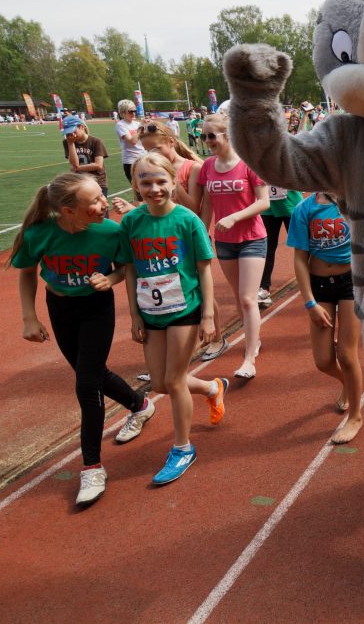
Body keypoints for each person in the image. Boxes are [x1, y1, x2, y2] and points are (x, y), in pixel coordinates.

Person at [10, 173, 155, 506]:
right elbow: (27, 272)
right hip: (60, 307)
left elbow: (125, 268)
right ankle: (140, 404)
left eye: (101, 196)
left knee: (86, 385)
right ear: (68, 211)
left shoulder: (110, 232)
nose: (103, 203)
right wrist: (29, 317)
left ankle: (92, 466)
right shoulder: (39, 234)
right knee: (91, 374)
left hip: (96, 308)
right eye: (94, 201)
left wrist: (110, 278)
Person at [119, 153, 227, 485]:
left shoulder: (187, 220)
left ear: (173, 182)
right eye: (146, 182)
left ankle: (182, 448)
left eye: (161, 181)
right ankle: (212, 387)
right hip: (151, 313)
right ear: (136, 185)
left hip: (185, 309)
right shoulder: (131, 223)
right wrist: (134, 314)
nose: (154, 188)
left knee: (175, 380)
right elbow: (130, 268)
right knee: (162, 382)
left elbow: (204, 269)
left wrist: (208, 315)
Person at [286, 191, 364, 443]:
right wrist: (309, 302)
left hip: (350, 283)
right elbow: (299, 258)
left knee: (346, 354)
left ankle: (355, 416)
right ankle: (347, 384)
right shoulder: (304, 209)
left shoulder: (353, 202)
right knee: (323, 361)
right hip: (319, 286)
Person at [197, 112, 270, 379]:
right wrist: (202, 232)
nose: (206, 140)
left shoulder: (249, 164)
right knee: (240, 298)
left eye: (211, 136)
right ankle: (255, 339)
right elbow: (207, 205)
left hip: (252, 237)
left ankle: (249, 357)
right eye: (203, 136)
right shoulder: (207, 167)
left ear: (229, 135)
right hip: (225, 242)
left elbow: (264, 203)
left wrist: (235, 216)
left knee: (249, 298)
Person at [61, 115, 109, 197]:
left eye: (73, 132)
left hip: (98, 181)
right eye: (67, 133)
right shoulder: (68, 142)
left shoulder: (95, 141)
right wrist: (71, 144)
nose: (70, 135)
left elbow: (98, 165)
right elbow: (74, 164)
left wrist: (78, 168)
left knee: (101, 208)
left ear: (81, 127)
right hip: (81, 181)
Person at [115, 99, 145, 191]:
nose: (133, 113)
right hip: (131, 161)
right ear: (122, 112)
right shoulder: (121, 125)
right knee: (138, 192)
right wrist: (141, 128)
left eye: (134, 111)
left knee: (147, 188)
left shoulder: (137, 124)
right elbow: (132, 141)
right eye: (130, 111)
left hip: (144, 159)